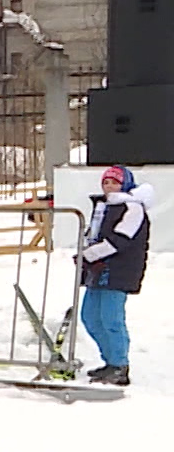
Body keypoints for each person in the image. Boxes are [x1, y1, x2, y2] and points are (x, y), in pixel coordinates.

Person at [78, 165, 153, 387]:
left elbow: (120, 240)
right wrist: (86, 253)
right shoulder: (103, 207)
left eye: (114, 182)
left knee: (111, 319)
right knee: (90, 317)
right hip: (98, 270)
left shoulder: (132, 208)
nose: (109, 186)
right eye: (106, 182)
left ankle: (120, 365)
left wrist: (90, 255)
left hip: (118, 271)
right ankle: (109, 361)